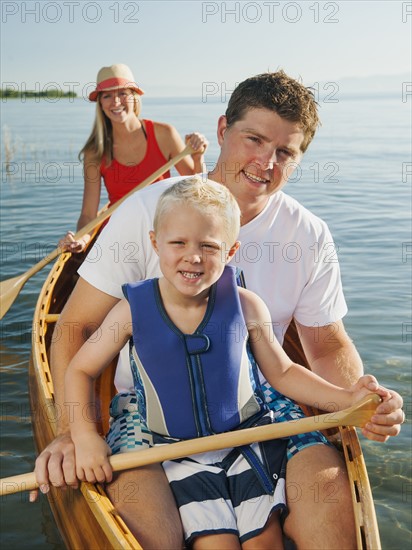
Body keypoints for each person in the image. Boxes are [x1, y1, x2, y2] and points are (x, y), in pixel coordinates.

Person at [34, 71, 404, 549]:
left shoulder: (308, 234)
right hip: (147, 415)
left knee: (332, 518)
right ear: (222, 128)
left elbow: (324, 343)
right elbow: (74, 328)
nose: (266, 162)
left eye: (286, 152)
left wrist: (356, 401)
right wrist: (71, 431)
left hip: (264, 405)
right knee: (153, 539)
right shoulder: (147, 213)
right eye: (254, 139)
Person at [65, 176, 391, 549]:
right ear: (155, 243)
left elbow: (283, 373)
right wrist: (83, 435)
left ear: (231, 250)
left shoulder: (247, 305)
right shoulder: (130, 312)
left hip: (246, 440)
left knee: (263, 543)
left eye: (209, 245)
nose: (194, 256)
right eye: (178, 243)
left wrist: (348, 398)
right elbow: (82, 368)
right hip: (177, 448)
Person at [58, 63, 208, 253]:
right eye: (107, 96)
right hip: (119, 236)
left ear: (134, 97)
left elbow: (200, 188)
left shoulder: (164, 134)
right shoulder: (95, 152)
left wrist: (197, 157)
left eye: (123, 93)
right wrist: (82, 240)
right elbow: (88, 215)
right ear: (101, 103)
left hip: (164, 232)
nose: (116, 102)